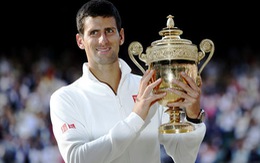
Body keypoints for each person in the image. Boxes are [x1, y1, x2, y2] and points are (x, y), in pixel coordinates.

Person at [49, 0, 206, 162]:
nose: (103, 40)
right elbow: (77, 158)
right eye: (94, 33)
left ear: (121, 36)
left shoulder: (150, 88)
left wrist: (193, 118)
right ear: (80, 41)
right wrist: (136, 118)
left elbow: (184, 156)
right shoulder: (65, 98)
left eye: (109, 31)